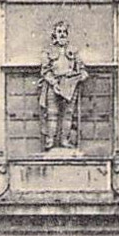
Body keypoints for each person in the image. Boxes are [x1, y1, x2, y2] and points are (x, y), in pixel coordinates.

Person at [38, 19, 88, 150]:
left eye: (64, 32)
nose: (62, 34)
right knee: (52, 114)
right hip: (53, 85)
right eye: (59, 32)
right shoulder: (48, 51)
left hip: (70, 86)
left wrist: (82, 75)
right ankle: (50, 141)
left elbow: (81, 67)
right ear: (54, 34)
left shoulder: (73, 51)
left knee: (68, 114)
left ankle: (65, 140)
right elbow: (45, 70)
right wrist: (53, 83)